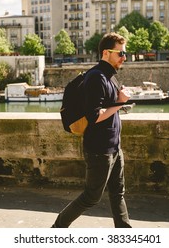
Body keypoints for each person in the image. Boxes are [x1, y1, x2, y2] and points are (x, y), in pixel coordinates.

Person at [52, 32, 132, 228]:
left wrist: (119, 103)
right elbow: (94, 115)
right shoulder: (97, 77)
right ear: (106, 53)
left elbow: (109, 108)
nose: (124, 58)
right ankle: (58, 227)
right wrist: (120, 102)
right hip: (99, 150)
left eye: (125, 54)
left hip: (114, 147)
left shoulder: (110, 76)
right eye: (120, 53)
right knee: (91, 197)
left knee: (118, 193)